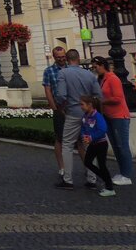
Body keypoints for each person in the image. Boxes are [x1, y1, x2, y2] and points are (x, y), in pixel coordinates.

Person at [53, 49, 102, 189]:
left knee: (67, 145)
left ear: (67, 60)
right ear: (79, 59)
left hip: (73, 112)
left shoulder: (63, 73)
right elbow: (98, 94)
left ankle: (68, 179)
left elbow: (61, 95)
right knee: (89, 145)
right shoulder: (89, 74)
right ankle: (92, 179)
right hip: (88, 114)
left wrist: (61, 106)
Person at [92, 56, 133, 185]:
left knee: (122, 145)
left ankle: (127, 175)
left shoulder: (113, 78)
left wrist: (102, 101)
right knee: (115, 145)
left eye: (95, 66)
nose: (94, 69)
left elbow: (118, 98)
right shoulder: (101, 79)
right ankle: (122, 173)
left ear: (102, 65)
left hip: (119, 116)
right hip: (108, 115)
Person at [79, 94, 116, 196]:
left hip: (101, 144)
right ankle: (106, 179)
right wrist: (84, 136)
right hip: (93, 143)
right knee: (87, 162)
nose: (80, 107)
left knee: (102, 165)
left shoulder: (97, 116)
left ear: (89, 105)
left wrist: (91, 137)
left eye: (82, 104)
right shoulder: (86, 116)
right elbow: (83, 127)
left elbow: (103, 129)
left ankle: (109, 188)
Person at [42, 45, 69, 182]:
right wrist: (55, 108)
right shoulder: (49, 71)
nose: (61, 59)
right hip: (59, 108)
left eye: (63, 57)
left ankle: (88, 167)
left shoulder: (71, 69)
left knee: (81, 139)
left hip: (73, 108)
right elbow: (48, 90)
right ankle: (62, 167)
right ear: (54, 57)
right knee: (59, 138)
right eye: (58, 57)